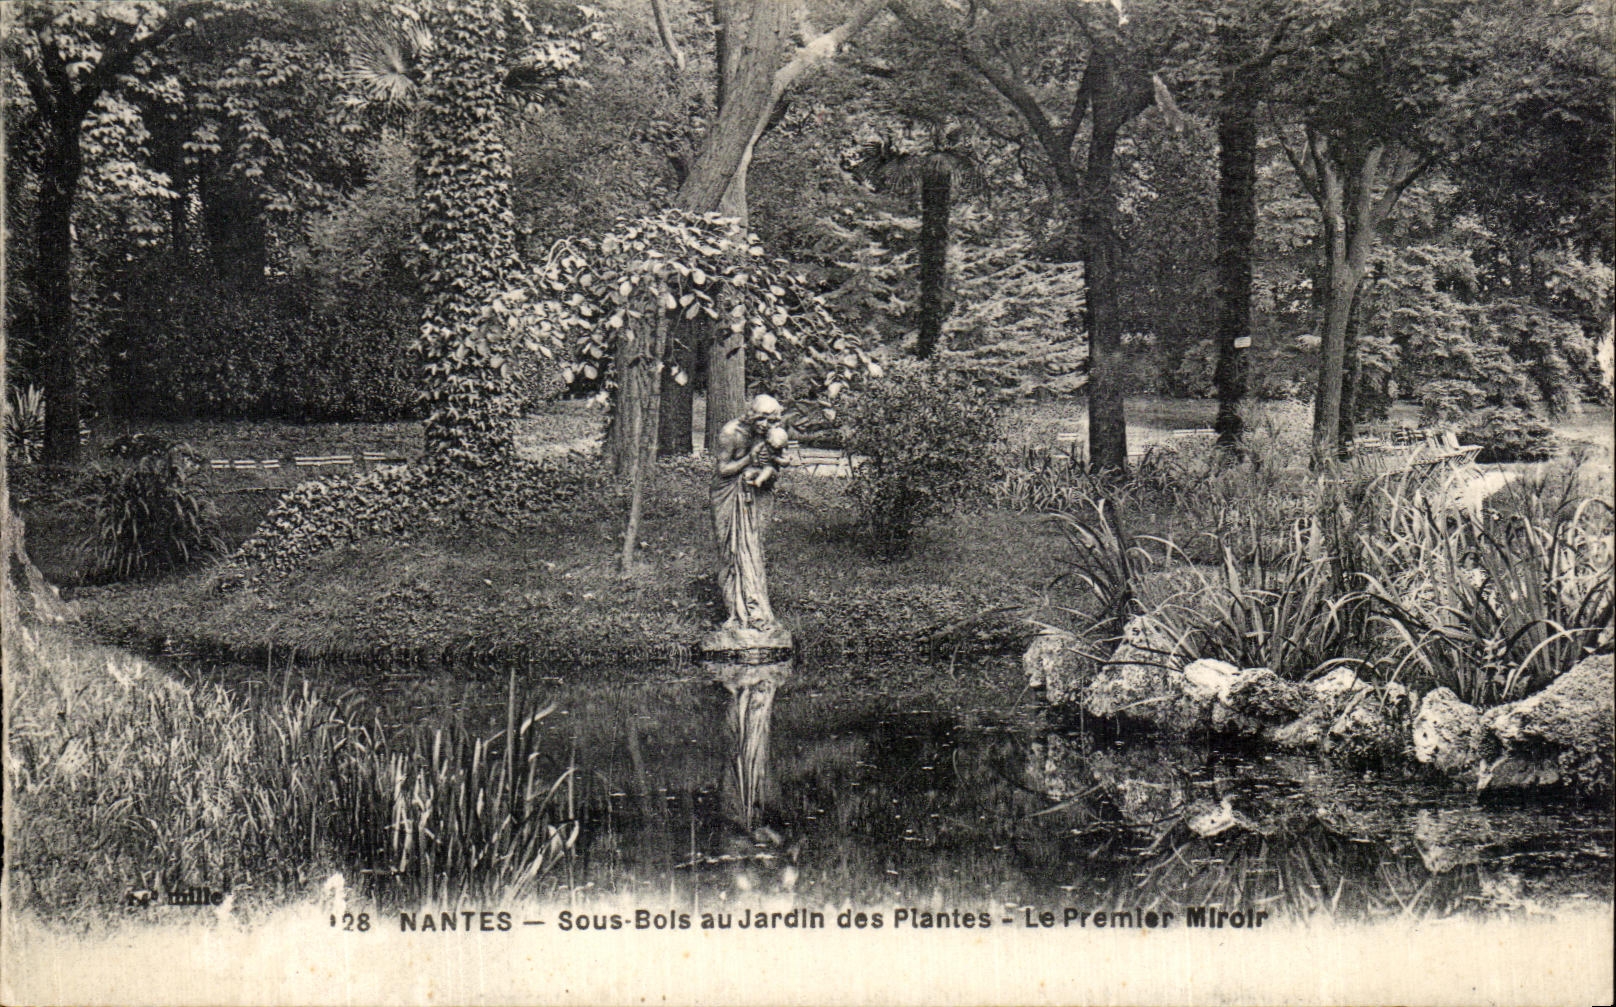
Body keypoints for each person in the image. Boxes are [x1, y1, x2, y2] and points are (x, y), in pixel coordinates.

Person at [711, 394, 788, 630]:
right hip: (727, 495)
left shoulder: (769, 433)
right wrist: (748, 459)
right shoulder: (730, 432)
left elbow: (777, 460)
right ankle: (736, 613)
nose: (765, 425)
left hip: (756, 495)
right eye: (761, 419)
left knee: (753, 551)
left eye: (771, 420)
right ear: (751, 414)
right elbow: (723, 469)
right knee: (732, 553)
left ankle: (757, 611)